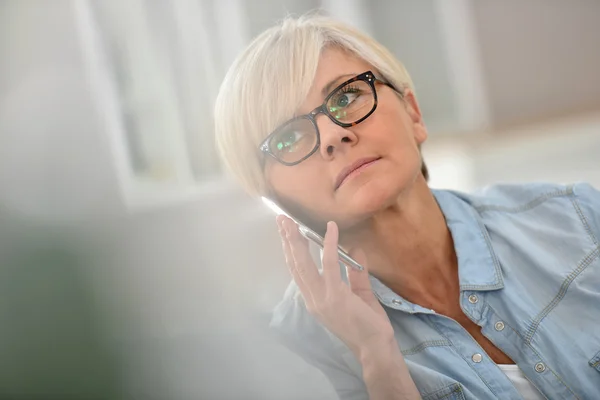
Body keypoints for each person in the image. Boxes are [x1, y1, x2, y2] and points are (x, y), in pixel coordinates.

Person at [213, 13, 600, 400]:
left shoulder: (578, 219)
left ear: (412, 112)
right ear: (272, 197)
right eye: (288, 137)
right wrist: (377, 360)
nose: (333, 134)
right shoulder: (295, 355)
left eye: (346, 96)